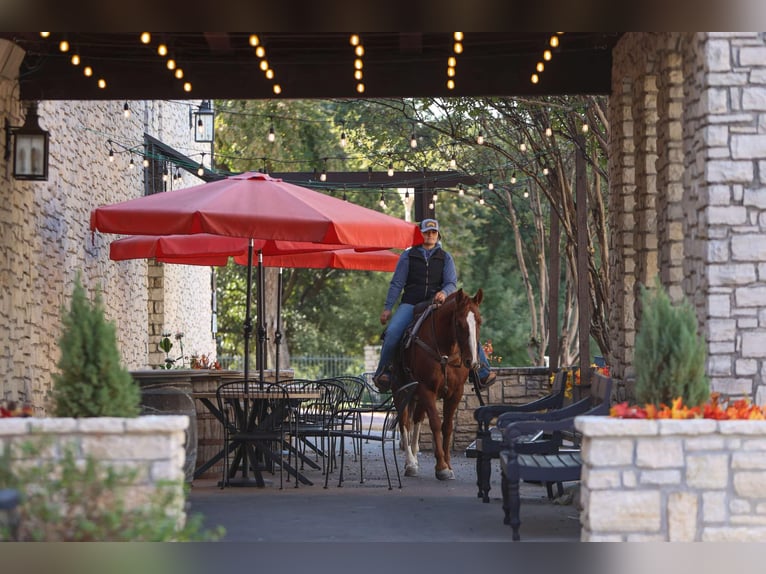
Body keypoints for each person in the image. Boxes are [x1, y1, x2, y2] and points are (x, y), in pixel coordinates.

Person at [372, 218, 497, 392]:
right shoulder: (408, 255)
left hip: (436, 304)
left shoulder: (445, 257)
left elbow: (451, 282)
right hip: (411, 303)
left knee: (466, 326)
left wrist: (444, 293)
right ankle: (385, 372)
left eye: (433, 232)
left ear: (438, 235)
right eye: (426, 232)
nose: (430, 235)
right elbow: (397, 283)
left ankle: (482, 372)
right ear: (421, 234)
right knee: (392, 333)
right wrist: (387, 308)